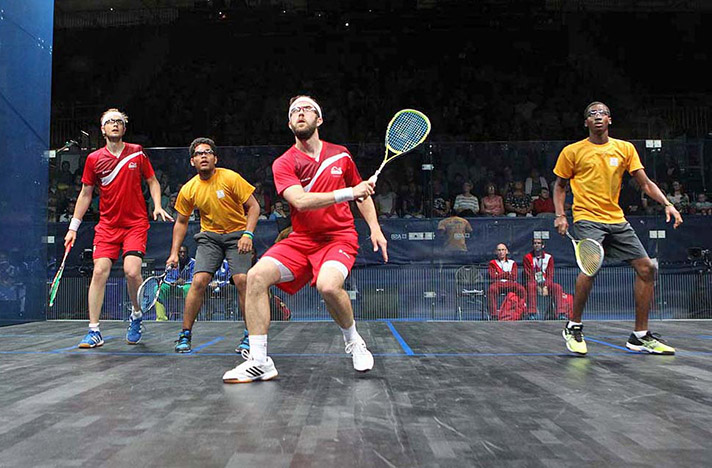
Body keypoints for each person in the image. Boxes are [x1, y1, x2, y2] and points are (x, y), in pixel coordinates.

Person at [222, 95, 388, 383]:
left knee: (327, 286)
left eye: (307, 109)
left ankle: (354, 341)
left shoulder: (341, 155)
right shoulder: (284, 163)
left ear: (319, 119)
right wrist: (350, 193)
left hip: (339, 237)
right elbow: (300, 201)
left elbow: (362, 195)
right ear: (289, 123)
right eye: (294, 111)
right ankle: (260, 361)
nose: (300, 113)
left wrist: (374, 227)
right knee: (255, 276)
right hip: (301, 239)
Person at [553, 101, 683, 355]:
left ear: (610, 120)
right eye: (592, 114)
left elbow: (645, 184)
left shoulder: (625, 149)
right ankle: (574, 326)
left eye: (603, 113)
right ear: (586, 122)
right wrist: (560, 215)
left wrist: (668, 203)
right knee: (590, 267)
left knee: (647, 268)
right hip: (586, 217)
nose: (598, 117)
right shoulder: (572, 151)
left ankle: (639, 336)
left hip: (617, 220)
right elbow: (559, 186)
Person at [64, 108, 173, 348]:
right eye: (109, 122)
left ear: (124, 128)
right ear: (102, 130)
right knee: (99, 271)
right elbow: (85, 194)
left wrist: (156, 205)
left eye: (119, 122)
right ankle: (94, 331)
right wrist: (73, 227)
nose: (115, 125)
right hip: (107, 226)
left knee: (132, 272)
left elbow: (152, 180)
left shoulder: (137, 153)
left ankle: (136, 315)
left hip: (135, 224)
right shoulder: (94, 159)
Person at [167, 137, 260, 353]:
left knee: (242, 280)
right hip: (210, 237)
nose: (204, 156)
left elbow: (253, 207)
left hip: (237, 235)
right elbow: (181, 222)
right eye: (199, 154)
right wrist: (173, 253)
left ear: (215, 158)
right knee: (198, 281)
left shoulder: (230, 178)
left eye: (208, 152)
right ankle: (185, 334)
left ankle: (250, 336)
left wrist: (248, 234)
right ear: (192, 161)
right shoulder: (189, 189)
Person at [522, 238, 567, 318]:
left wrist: (545, 286)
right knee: (531, 286)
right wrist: (538, 287)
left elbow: (550, 275)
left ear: (543, 245)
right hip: (533, 283)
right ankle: (532, 314)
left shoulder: (549, 257)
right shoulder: (527, 257)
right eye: (535, 243)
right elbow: (529, 275)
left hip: (546, 284)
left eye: (539, 243)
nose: (536, 245)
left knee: (557, 287)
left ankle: (561, 313)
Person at [154, 244, 194, 321]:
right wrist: (174, 282)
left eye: (184, 252)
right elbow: (167, 277)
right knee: (158, 289)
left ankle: (190, 318)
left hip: (185, 287)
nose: (182, 254)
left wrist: (184, 282)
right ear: (177, 253)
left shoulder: (193, 263)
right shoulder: (171, 263)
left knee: (189, 289)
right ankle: (161, 318)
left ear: (187, 253)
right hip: (172, 287)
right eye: (180, 252)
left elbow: (194, 278)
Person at [487, 243, 526, 318]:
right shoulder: (492, 263)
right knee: (491, 290)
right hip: (498, 284)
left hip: (510, 283)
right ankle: (494, 314)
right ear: (496, 252)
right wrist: (507, 273)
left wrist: (500, 274)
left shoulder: (512, 263)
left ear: (506, 251)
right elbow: (493, 277)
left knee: (522, 290)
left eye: (503, 250)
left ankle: (521, 310)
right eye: (499, 250)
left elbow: (514, 277)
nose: (501, 252)